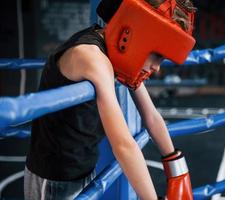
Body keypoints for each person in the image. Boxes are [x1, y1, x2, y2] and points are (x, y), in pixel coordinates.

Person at [24, 0, 196, 199]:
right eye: (157, 55)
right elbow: (123, 145)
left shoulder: (118, 51)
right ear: (138, 34)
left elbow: (151, 116)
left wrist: (178, 171)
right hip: (54, 179)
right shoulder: (91, 57)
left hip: (82, 170)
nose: (157, 67)